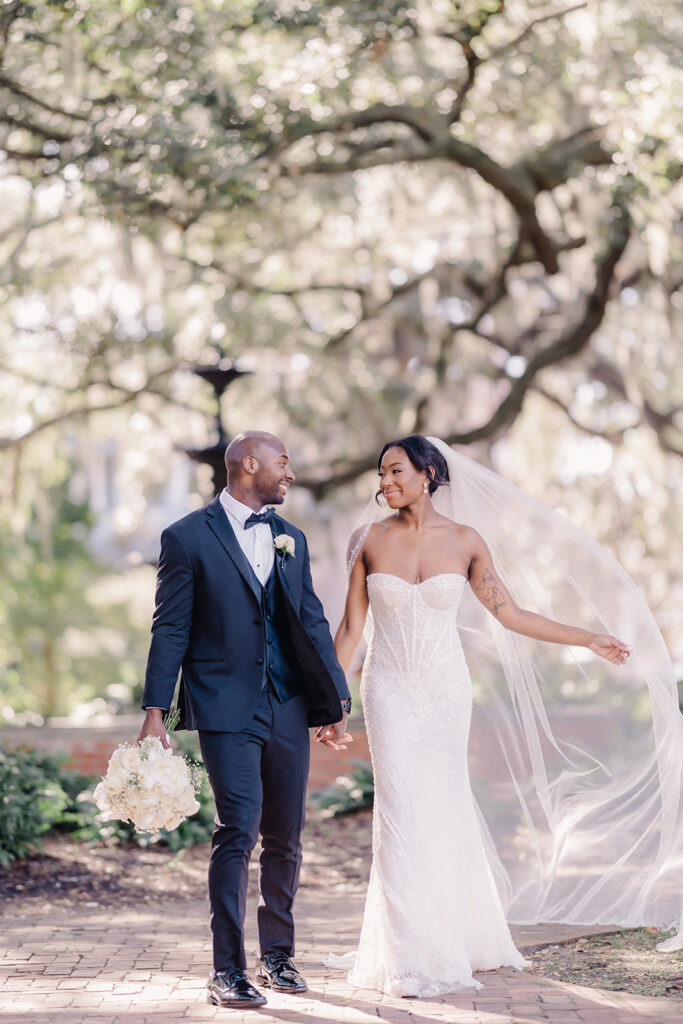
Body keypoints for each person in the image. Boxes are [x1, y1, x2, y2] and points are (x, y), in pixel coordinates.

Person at [330, 434, 682, 997]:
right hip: (390, 689)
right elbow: (349, 630)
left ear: (429, 474)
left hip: (445, 691)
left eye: (396, 471)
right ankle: (409, 950)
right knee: (399, 810)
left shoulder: (467, 541)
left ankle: (455, 934)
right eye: (381, 474)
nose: (385, 482)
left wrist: (586, 637)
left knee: (442, 805)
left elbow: (512, 615)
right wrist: (334, 700)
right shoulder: (366, 539)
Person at [138, 430, 352, 1009]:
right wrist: (156, 711)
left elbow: (310, 619)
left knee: (287, 834)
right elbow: (170, 627)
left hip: (286, 703)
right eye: (283, 463)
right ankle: (226, 969)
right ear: (249, 464)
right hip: (224, 705)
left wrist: (335, 701)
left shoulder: (292, 538)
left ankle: (277, 955)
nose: (290, 473)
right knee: (239, 830)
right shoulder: (185, 537)